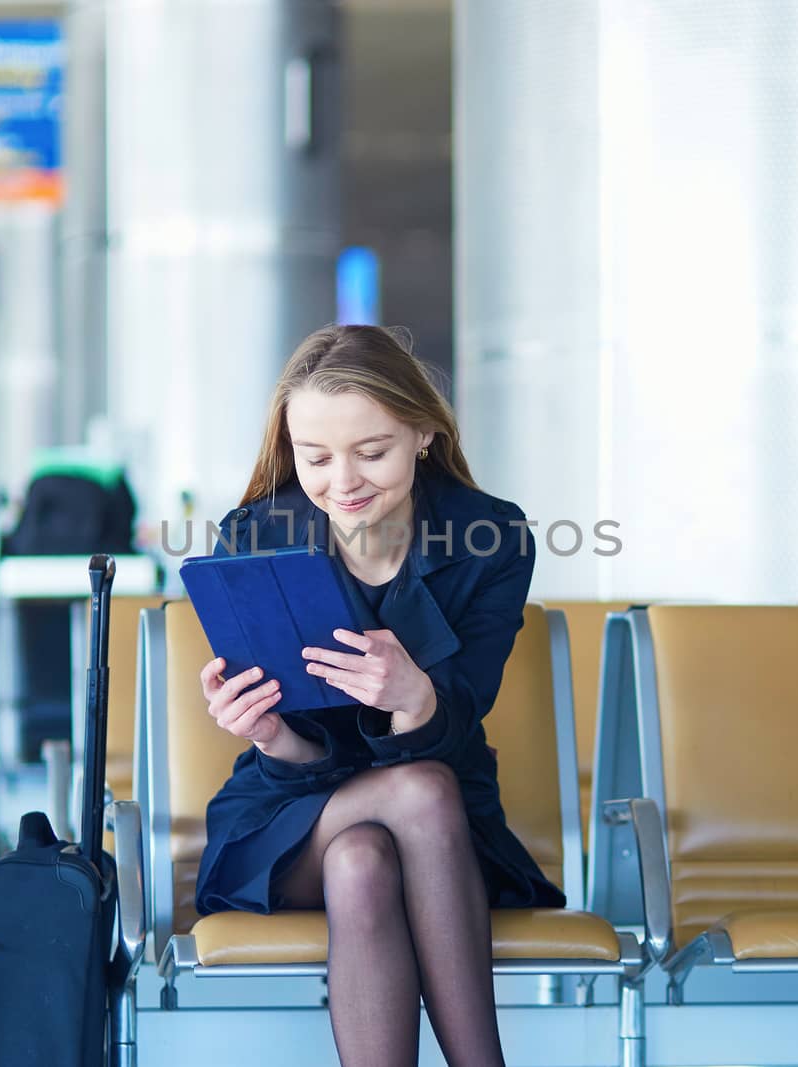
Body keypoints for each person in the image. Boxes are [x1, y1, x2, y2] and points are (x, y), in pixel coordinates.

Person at [193, 325, 562, 1067]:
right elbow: (290, 756)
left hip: (444, 836)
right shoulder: (257, 535)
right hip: (289, 817)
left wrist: (416, 697)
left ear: (424, 431)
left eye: (372, 452)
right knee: (416, 794)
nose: (342, 482)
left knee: (368, 856)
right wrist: (268, 733)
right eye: (316, 456)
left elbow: (462, 715)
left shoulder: (492, 537)